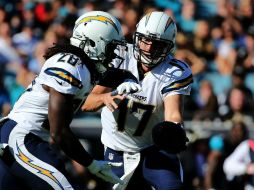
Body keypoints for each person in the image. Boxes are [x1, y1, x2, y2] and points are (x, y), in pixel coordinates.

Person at [0, 11, 141, 190]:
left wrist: (128, 79)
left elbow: (116, 74)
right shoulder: (70, 65)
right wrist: (91, 164)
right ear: (93, 43)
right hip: (21, 138)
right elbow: (59, 132)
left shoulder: (83, 66)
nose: (114, 55)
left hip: (25, 139)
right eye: (111, 47)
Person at [82, 11, 193, 190]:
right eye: (145, 40)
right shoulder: (119, 56)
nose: (148, 48)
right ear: (136, 37)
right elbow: (87, 103)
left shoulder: (174, 71)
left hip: (153, 150)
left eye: (156, 44)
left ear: (168, 46)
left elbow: (173, 113)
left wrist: (174, 129)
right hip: (116, 151)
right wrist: (105, 97)